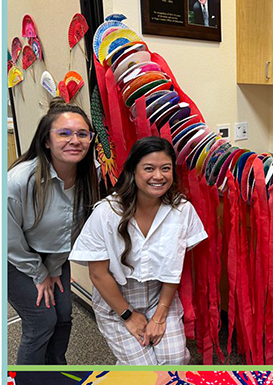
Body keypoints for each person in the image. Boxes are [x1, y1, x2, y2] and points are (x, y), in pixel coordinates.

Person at [70, 136, 206, 365]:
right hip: (117, 299)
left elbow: (175, 266)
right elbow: (98, 274)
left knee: (174, 360)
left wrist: (160, 316)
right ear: (133, 171)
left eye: (166, 168)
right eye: (149, 169)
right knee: (143, 369)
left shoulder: (182, 210)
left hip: (159, 296)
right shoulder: (106, 212)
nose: (158, 176)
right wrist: (127, 315)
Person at [7, 98, 98, 364]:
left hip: (55, 255)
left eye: (83, 134)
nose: (75, 140)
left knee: (63, 317)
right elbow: (9, 238)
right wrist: (39, 274)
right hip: (15, 256)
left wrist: (55, 268)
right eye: (64, 133)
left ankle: (55, 369)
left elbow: (71, 231)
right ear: (47, 140)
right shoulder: (18, 181)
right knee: (41, 322)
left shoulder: (88, 177)